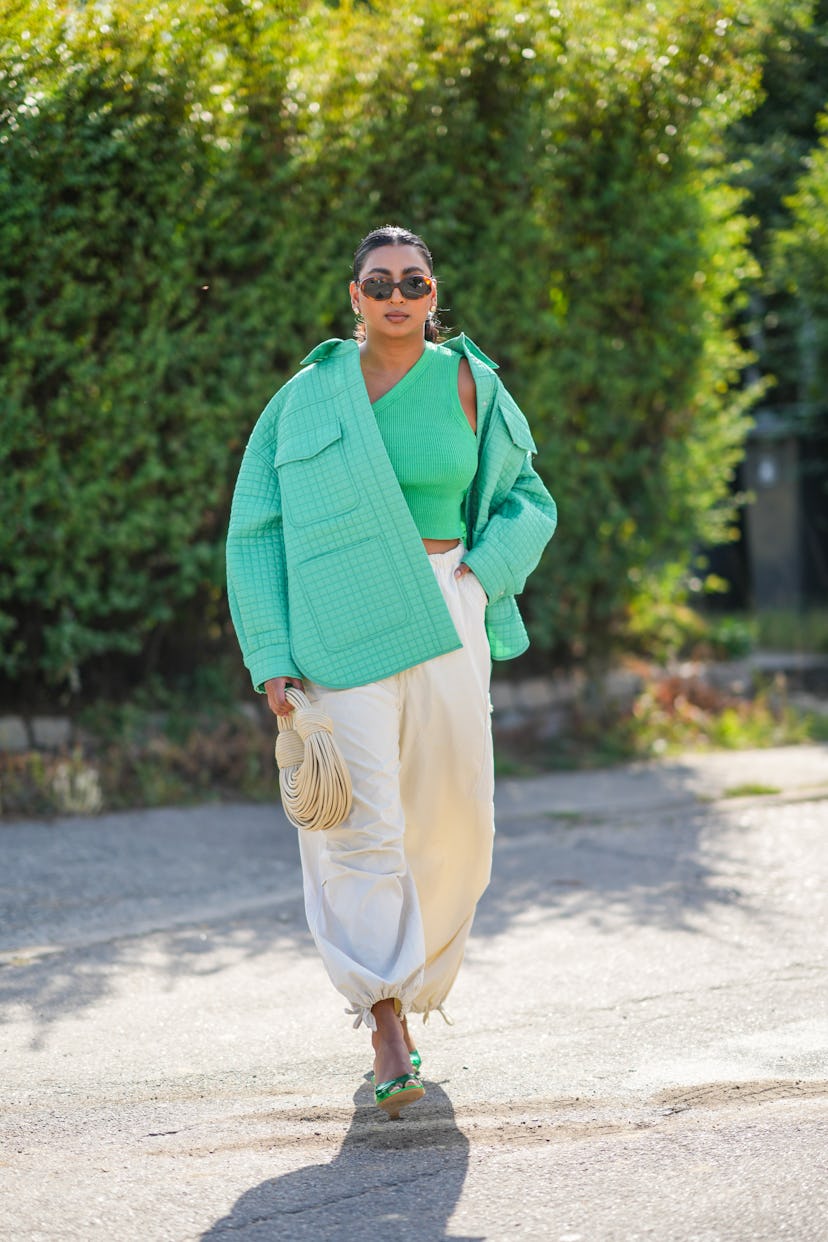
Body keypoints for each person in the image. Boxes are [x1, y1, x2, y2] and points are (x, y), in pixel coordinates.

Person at [226, 225, 557, 1117]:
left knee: (458, 816)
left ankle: (416, 986)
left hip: (447, 613)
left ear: (433, 293)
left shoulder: (470, 383)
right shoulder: (304, 400)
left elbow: (529, 498)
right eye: (380, 283)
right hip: (338, 630)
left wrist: (480, 577)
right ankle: (384, 1021)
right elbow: (255, 531)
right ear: (355, 296)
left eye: (413, 282)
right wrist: (272, 657)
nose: (397, 296)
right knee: (361, 824)